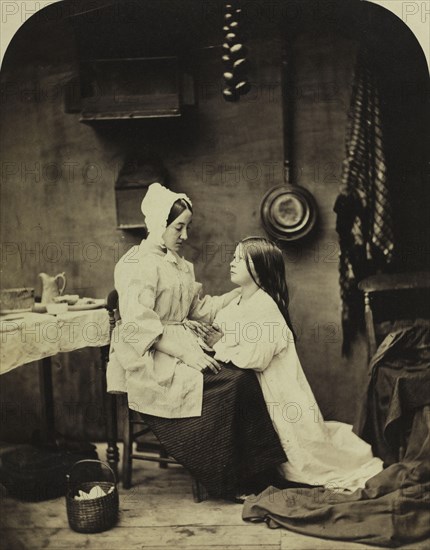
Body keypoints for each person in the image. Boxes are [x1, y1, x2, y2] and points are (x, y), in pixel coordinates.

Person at [107, 184, 286, 499]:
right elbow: (137, 327)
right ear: (159, 223)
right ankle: (231, 480)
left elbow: (199, 310)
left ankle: (261, 472)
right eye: (179, 227)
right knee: (232, 384)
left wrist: (246, 289)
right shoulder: (136, 265)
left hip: (183, 346)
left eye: (186, 227)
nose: (185, 235)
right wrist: (187, 356)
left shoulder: (177, 264)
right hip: (152, 356)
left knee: (243, 378)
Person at [210, 236, 384, 492]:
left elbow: (256, 359)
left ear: (258, 268)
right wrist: (213, 335)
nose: (232, 263)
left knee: (306, 457)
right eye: (234, 257)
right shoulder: (238, 302)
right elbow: (224, 327)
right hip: (258, 389)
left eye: (239, 259)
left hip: (281, 392)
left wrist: (219, 344)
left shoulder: (266, 307)